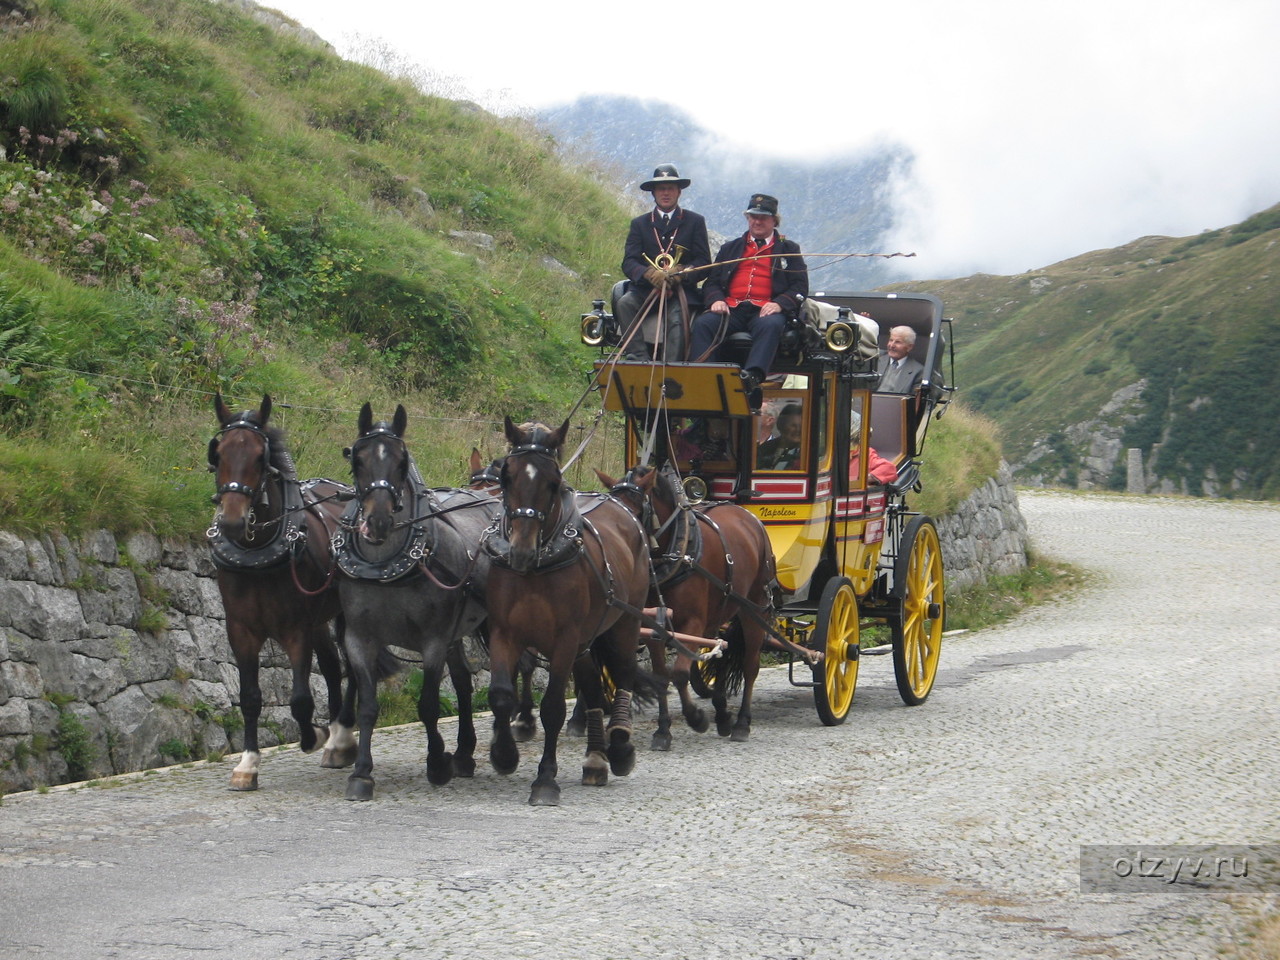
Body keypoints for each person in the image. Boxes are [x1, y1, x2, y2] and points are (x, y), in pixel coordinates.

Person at [688, 194, 808, 410]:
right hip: (732, 308)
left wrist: (780, 303)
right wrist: (716, 300)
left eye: (763, 217)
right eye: (753, 217)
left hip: (764, 310)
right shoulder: (731, 249)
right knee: (704, 324)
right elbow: (712, 282)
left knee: (772, 325)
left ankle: (752, 375)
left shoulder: (789, 249)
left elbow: (800, 287)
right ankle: (707, 379)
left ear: (774, 221)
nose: (757, 222)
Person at [616, 164, 712, 362]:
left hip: (681, 291)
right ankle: (638, 357)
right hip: (645, 289)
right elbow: (629, 262)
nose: (665, 193)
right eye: (661, 188)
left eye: (670, 188)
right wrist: (650, 275)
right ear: (653, 192)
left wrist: (681, 273)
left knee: (677, 320)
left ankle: (671, 367)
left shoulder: (695, 221)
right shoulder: (639, 224)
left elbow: (703, 262)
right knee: (624, 304)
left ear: (679, 192)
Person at [877, 325, 926, 393]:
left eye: (898, 342)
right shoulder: (875, 359)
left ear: (909, 347)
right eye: (891, 340)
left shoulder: (918, 372)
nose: (891, 345)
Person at [756, 403, 803, 469]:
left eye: (801, 426)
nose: (798, 430)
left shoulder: (806, 456)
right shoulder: (764, 449)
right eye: (793, 426)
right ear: (781, 425)